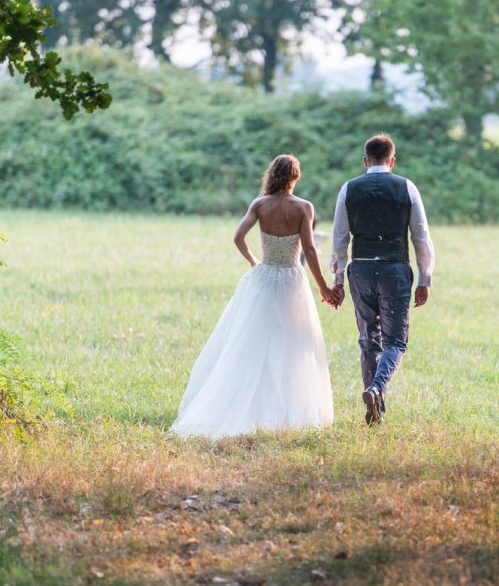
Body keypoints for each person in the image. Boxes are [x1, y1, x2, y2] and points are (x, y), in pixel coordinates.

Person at [170, 155, 338, 438]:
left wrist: (254, 261)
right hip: (291, 279)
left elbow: (238, 237)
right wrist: (323, 287)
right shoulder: (304, 208)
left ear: (272, 175)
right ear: (295, 177)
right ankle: (289, 408)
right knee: (293, 342)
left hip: (263, 278)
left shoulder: (259, 205)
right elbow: (309, 250)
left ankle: (248, 402)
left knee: (252, 340)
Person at [330, 134, 435, 426]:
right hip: (394, 269)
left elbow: (340, 238)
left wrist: (337, 279)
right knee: (396, 341)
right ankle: (376, 390)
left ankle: (375, 408)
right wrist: (425, 278)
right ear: (392, 160)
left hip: (360, 269)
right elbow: (420, 236)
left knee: (368, 340)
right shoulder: (407, 187)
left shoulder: (348, 188)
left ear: (365, 161)